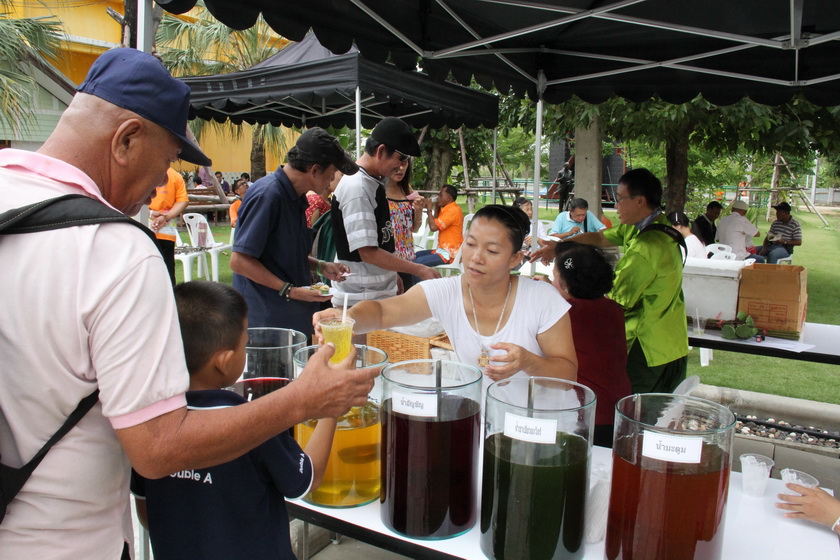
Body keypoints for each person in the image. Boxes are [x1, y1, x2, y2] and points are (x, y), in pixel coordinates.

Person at [0, 48, 377, 559]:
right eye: (165, 161)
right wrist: (305, 402)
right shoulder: (116, 251)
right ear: (127, 138)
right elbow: (157, 448)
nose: (163, 183)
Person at [132, 281, 339, 560]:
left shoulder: (146, 425)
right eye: (245, 343)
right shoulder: (250, 420)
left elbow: (146, 514)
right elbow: (306, 479)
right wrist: (331, 406)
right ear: (224, 361)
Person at [316, 204, 578, 391]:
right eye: (471, 244)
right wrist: (347, 317)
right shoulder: (447, 291)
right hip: (483, 424)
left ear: (514, 259)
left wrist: (529, 361)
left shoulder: (541, 299)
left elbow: (568, 376)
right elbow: (383, 312)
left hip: (542, 427)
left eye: (492, 251)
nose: (476, 257)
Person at [533, 168, 688, 394]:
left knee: (633, 409)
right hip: (672, 339)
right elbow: (600, 237)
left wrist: (555, 291)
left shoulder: (647, 248)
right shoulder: (651, 224)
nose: (616, 206)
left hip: (647, 346)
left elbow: (613, 300)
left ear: (640, 201)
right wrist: (560, 246)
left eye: (620, 198)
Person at [230, 127, 357, 336]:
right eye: (332, 172)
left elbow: (281, 254)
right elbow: (239, 261)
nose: (333, 180)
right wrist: (289, 290)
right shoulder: (268, 195)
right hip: (266, 321)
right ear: (314, 170)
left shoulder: (297, 197)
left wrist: (321, 266)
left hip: (291, 317)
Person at [331, 116, 440, 307]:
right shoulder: (358, 188)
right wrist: (419, 269)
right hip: (360, 298)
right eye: (401, 159)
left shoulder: (372, 183)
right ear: (381, 151)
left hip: (375, 294)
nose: (401, 166)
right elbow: (368, 252)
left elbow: (380, 240)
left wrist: (391, 274)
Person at [552, 242, 630, 448]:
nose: (552, 283)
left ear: (566, 284)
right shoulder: (613, 309)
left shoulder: (566, 313)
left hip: (586, 412)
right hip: (618, 409)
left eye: (555, 278)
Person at [386, 159, 424, 291]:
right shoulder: (378, 190)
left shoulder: (406, 189)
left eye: (405, 163)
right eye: (398, 163)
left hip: (407, 259)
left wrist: (418, 210)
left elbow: (414, 228)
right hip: (387, 260)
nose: (401, 168)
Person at [148, 167, 190, 285]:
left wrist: (150, 213)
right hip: (166, 231)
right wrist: (166, 217)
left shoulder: (143, 170)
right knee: (167, 272)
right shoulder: (175, 176)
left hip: (145, 228)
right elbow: (183, 201)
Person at [415, 184, 464, 267]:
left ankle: (421, 277)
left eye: (441, 195)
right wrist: (437, 207)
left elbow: (433, 227)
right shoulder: (448, 209)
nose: (438, 197)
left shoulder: (453, 211)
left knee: (417, 262)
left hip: (449, 253)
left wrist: (429, 209)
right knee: (415, 256)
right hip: (442, 250)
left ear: (448, 198)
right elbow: (436, 222)